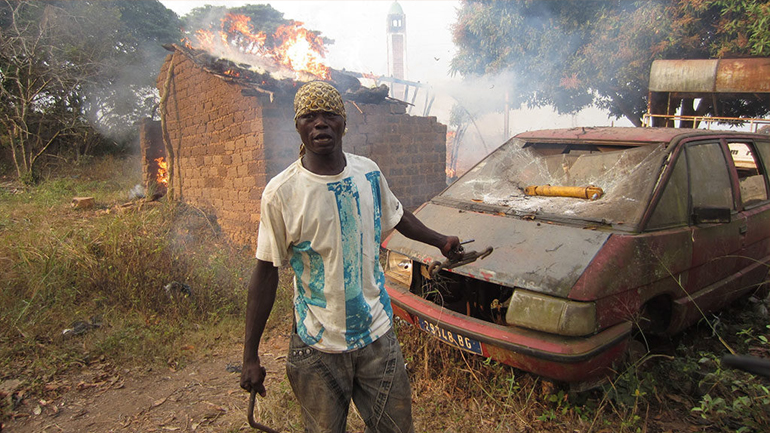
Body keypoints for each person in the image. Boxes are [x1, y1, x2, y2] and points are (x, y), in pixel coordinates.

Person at [240, 81, 461, 433]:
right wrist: (250, 355)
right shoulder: (281, 193)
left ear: (344, 123)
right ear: (297, 126)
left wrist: (440, 241)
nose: (320, 123)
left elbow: (397, 215)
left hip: (378, 338)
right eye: (309, 116)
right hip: (317, 346)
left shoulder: (368, 173)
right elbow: (265, 273)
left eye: (329, 115)